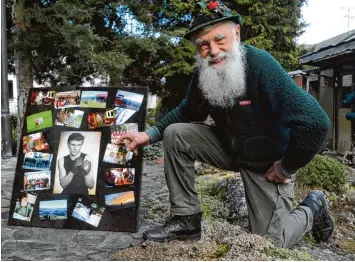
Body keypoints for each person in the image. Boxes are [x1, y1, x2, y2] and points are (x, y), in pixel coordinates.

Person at [118, 0, 333, 248]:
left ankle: (313, 206)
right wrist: (149, 134)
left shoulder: (261, 65)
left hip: (265, 165)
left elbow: (316, 122)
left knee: (270, 242)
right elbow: (187, 111)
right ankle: (186, 218)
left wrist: (286, 167)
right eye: (204, 45)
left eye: (220, 40)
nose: (213, 50)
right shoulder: (204, 72)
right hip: (230, 149)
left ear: (237, 33)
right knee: (176, 134)